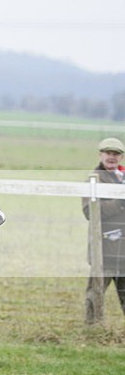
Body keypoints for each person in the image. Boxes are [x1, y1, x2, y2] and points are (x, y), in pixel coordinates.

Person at [82, 137, 125, 321]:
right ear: (101, 155)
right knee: (95, 293)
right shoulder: (94, 180)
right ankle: (92, 331)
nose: (112, 157)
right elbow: (90, 212)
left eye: (116, 154)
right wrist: (120, 203)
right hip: (104, 251)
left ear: (121, 157)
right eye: (108, 153)